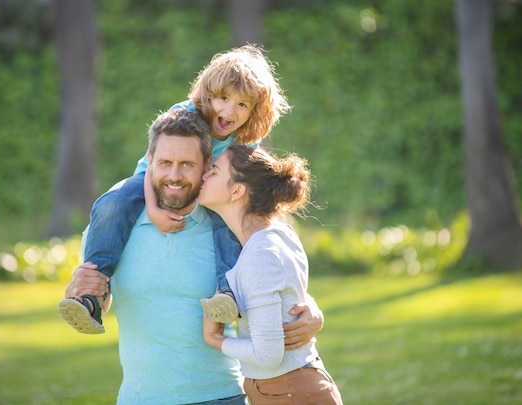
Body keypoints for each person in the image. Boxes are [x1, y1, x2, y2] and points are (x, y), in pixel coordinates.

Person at [64, 109, 324, 404]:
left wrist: (312, 311)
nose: (174, 176)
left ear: (206, 167)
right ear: (149, 163)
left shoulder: (228, 228)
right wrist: (82, 288)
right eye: (165, 163)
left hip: (222, 396)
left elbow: (275, 276)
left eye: (187, 164)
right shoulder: (113, 227)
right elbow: (106, 300)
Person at [58, 44, 291, 333]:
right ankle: (93, 294)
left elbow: (243, 183)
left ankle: (227, 292)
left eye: (242, 105)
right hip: (151, 180)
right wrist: (153, 207)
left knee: (226, 224)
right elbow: (152, 164)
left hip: (208, 192)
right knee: (112, 202)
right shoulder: (185, 114)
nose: (229, 111)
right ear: (208, 94)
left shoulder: (244, 140)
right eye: (223, 98)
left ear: (254, 111)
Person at [199, 145, 343, 404]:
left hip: (289, 391)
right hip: (294, 386)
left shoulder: (261, 253)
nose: (204, 176)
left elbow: (268, 355)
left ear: (237, 190)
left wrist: (216, 339)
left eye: (215, 171)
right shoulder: (279, 234)